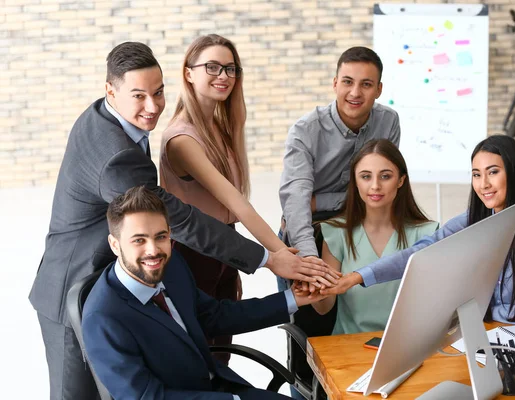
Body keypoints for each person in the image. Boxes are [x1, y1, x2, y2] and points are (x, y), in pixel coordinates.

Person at [29, 42, 334, 400]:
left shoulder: (109, 116)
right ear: (110, 90)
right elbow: (182, 219)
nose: (153, 106)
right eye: (139, 95)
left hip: (123, 271)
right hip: (73, 282)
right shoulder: (118, 156)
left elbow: (214, 313)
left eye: (158, 93)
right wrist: (268, 258)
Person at [83, 186, 330, 400]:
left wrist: (293, 299)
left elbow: (214, 315)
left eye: (161, 237)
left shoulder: (172, 264)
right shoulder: (103, 317)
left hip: (217, 387)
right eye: (139, 240)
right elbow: (146, 397)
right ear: (115, 244)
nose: (153, 250)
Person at [160, 35, 308, 363]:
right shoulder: (182, 138)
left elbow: (232, 210)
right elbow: (239, 203)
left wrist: (236, 264)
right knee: (200, 361)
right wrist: (281, 256)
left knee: (220, 356)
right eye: (212, 66)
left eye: (230, 68)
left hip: (223, 251)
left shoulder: (220, 127)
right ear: (188, 73)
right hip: (193, 254)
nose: (223, 75)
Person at [320, 135, 515, 325]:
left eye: (493, 172)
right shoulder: (472, 221)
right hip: (482, 335)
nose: (484, 184)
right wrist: (358, 276)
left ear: (513, 173)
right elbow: (420, 253)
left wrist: (483, 312)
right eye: (476, 174)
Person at [278, 46, 401, 292]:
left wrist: (321, 200)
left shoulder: (388, 122)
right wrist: (310, 260)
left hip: (359, 228)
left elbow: (384, 189)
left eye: (366, 84)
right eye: (348, 82)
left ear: (379, 90)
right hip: (308, 229)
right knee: (306, 321)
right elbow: (297, 203)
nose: (355, 92)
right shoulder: (305, 131)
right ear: (335, 83)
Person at [305, 140, 438, 334]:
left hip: (406, 346)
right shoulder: (336, 234)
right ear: (355, 181)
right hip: (349, 350)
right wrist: (315, 289)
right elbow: (324, 307)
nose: (375, 185)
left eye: (385, 176)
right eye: (366, 177)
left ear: (401, 180)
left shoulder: (427, 233)